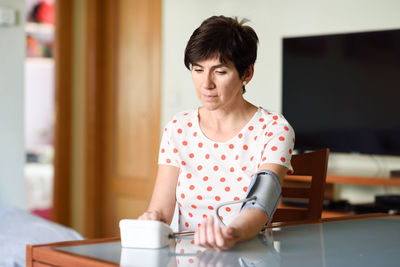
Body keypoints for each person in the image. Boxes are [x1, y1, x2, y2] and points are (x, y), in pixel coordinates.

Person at [139, 15, 295, 251]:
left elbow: (260, 205)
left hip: (247, 254)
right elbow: (160, 209)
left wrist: (229, 234)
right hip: (187, 257)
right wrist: (152, 219)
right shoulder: (177, 129)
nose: (206, 84)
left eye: (220, 72)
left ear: (247, 74)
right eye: (198, 69)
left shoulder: (273, 129)